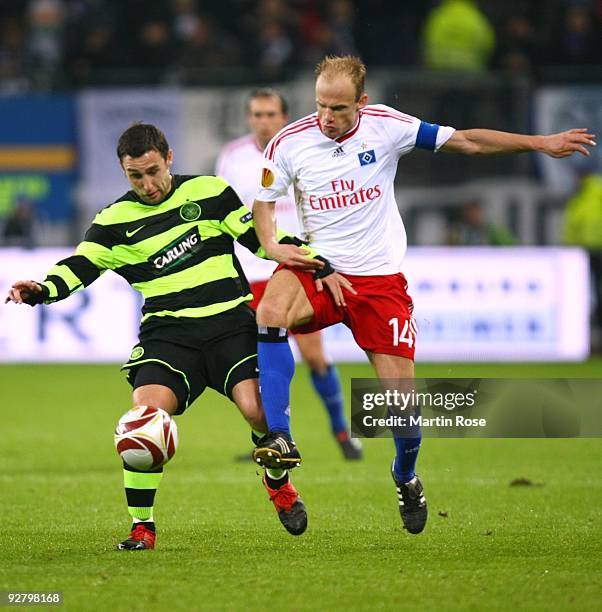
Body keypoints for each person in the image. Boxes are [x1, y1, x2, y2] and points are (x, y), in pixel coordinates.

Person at [250, 55, 596, 535]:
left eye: (339, 108)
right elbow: (263, 204)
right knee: (268, 311)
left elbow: (468, 142)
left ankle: (405, 475)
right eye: (321, 106)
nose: (327, 117)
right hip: (322, 269)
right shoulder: (291, 141)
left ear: (363, 104)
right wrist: (271, 244)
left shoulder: (388, 127)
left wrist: (540, 142)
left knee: (404, 415)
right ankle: (281, 437)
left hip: (379, 283)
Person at [4, 123, 332, 548]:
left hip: (230, 325)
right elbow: (79, 266)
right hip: (169, 335)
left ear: (169, 157)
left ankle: (277, 483)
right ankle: (142, 527)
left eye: (153, 171)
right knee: (142, 423)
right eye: (135, 176)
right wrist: (43, 289)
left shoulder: (211, 192)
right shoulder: (113, 221)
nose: (148, 184)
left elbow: (260, 240)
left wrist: (310, 255)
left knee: (258, 413)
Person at [215, 88, 362, 460]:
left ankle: (341, 432)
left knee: (313, 355)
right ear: (249, 118)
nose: (263, 121)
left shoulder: (303, 148)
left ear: (283, 117)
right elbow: (221, 215)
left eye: (270, 114)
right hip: (248, 274)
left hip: (296, 267)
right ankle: (272, 439)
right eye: (257, 114)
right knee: (256, 364)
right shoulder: (232, 158)